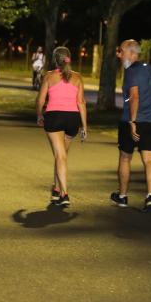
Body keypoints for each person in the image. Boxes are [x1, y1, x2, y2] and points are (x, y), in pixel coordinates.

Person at [36, 46, 88, 207]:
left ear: (54, 60)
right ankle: (56, 189)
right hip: (73, 119)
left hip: (55, 117)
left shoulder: (49, 76)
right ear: (69, 58)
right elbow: (81, 102)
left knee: (60, 156)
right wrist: (84, 126)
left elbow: (40, 100)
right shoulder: (78, 77)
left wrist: (39, 114)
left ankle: (64, 193)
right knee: (62, 155)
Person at [110, 39, 151, 212]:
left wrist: (132, 121)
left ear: (131, 53)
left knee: (125, 157)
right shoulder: (149, 68)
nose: (120, 54)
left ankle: (122, 195)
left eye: (121, 51)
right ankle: (150, 196)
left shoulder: (132, 71)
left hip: (131, 121)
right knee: (149, 159)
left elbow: (134, 96)